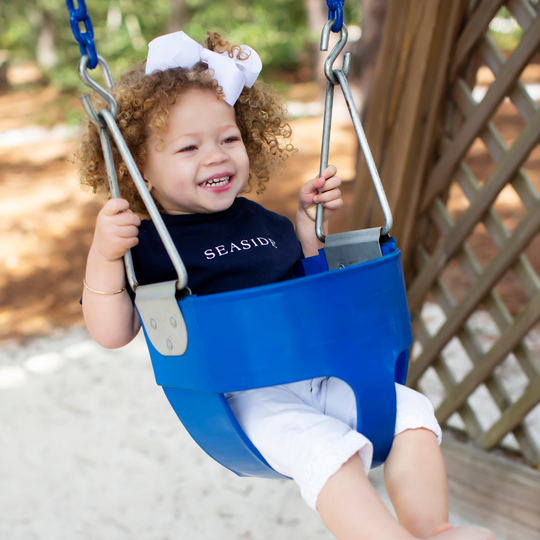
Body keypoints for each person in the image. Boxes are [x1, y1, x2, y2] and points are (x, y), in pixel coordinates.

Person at [77, 31, 494, 540]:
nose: (216, 156)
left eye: (228, 139)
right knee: (325, 449)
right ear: (139, 168)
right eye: (189, 147)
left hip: (319, 371)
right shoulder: (143, 244)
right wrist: (103, 256)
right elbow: (112, 331)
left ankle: (435, 531)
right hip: (247, 397)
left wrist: (304, 229)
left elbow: (308, 292)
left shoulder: (264, 222)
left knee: (409, 410)